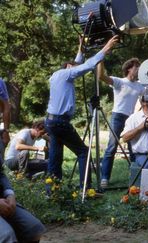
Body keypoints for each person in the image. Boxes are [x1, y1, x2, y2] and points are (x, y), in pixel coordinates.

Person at [45, 35, 118, 188]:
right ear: (68, 67)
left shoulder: (56, 76)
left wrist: (81, 49)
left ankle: (52, 191)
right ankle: (86, 189)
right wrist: (105, 48)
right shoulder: (66, 74)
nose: (76, 70)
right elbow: (85, 66)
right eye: (73, 67)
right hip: (60, 122)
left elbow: (77, 63)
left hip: (51, 122)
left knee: (55, 157)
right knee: (83, 152)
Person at [0, 77, 46, 242]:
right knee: (6, 235)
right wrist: (36, 148)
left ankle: (26, 176)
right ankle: (23, 174)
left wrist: (10, 194)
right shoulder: (26, 133)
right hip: (12, 161)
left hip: (3, 198)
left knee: (34, 228)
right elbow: (19, 148)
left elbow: (0, 173)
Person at [97, 58, 145, 188]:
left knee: (133, 148)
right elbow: (101, 76)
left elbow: (146, 102)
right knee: (111, 147)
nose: (139, 70)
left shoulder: (140, 85)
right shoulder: (119, 82)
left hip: (130, 119)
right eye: (137, 67)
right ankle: (105, 178)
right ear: (129, 68)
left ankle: (136, 178)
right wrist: (100, 59)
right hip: (117, 117)